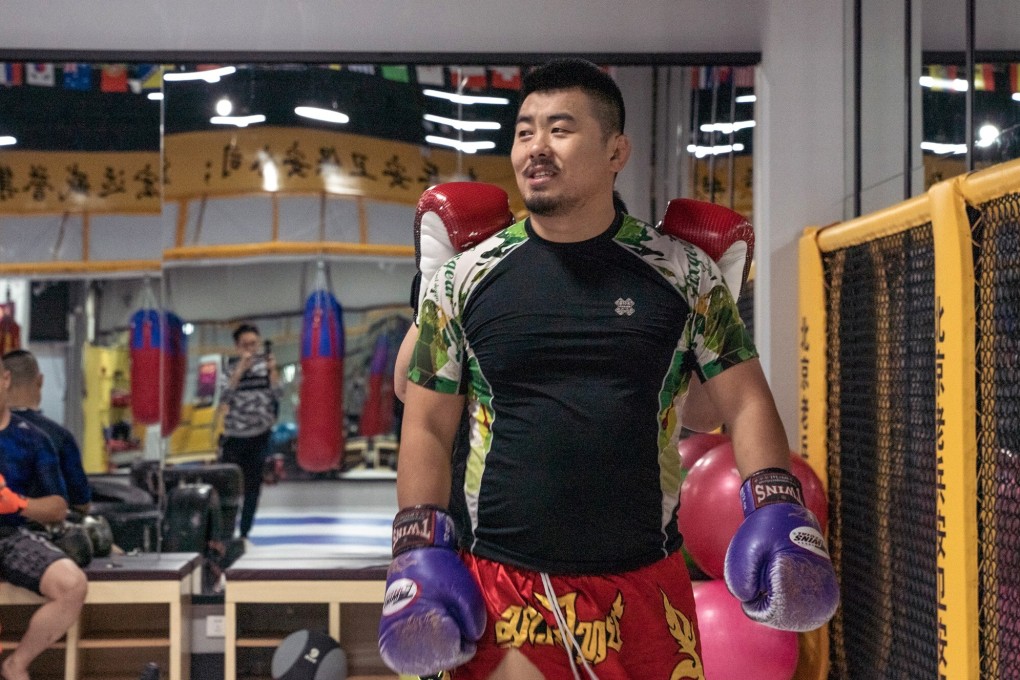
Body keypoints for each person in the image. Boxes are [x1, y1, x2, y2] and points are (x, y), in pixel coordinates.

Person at [378, 58, 838, 680]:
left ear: (616, 150)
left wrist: (777, 506)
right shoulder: (464, 278)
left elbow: (744, 402)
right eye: (524, 131)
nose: (536, 148)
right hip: (508, 588)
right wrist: (415, 546)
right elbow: (428, 422)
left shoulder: (684, 273)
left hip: (647, 586)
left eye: (560, 129)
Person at [0, 360, 88, 680]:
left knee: (72, 585)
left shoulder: (34, 439)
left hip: (11, 535)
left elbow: (58, 508)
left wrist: (17, 503)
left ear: (6, 379)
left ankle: (17, 664)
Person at [2, 350, 91, 516]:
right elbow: (81, 504)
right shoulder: (58, 437)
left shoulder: (38, 439)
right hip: (40, 531)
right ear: (40, 381)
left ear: (6, 380)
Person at [217, 323, 280, 541]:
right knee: (229, 488)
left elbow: (278, 394)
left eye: (254, 344)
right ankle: (224, 533)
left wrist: (273, 371)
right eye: (245, 345)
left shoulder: (266, 367)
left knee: (253, 488)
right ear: (237, 347)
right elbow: (223, 396)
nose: (251, 349)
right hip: (235, 437)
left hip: (259, 436)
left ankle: (244, 533)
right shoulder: (228, 367)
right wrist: (240, 370)